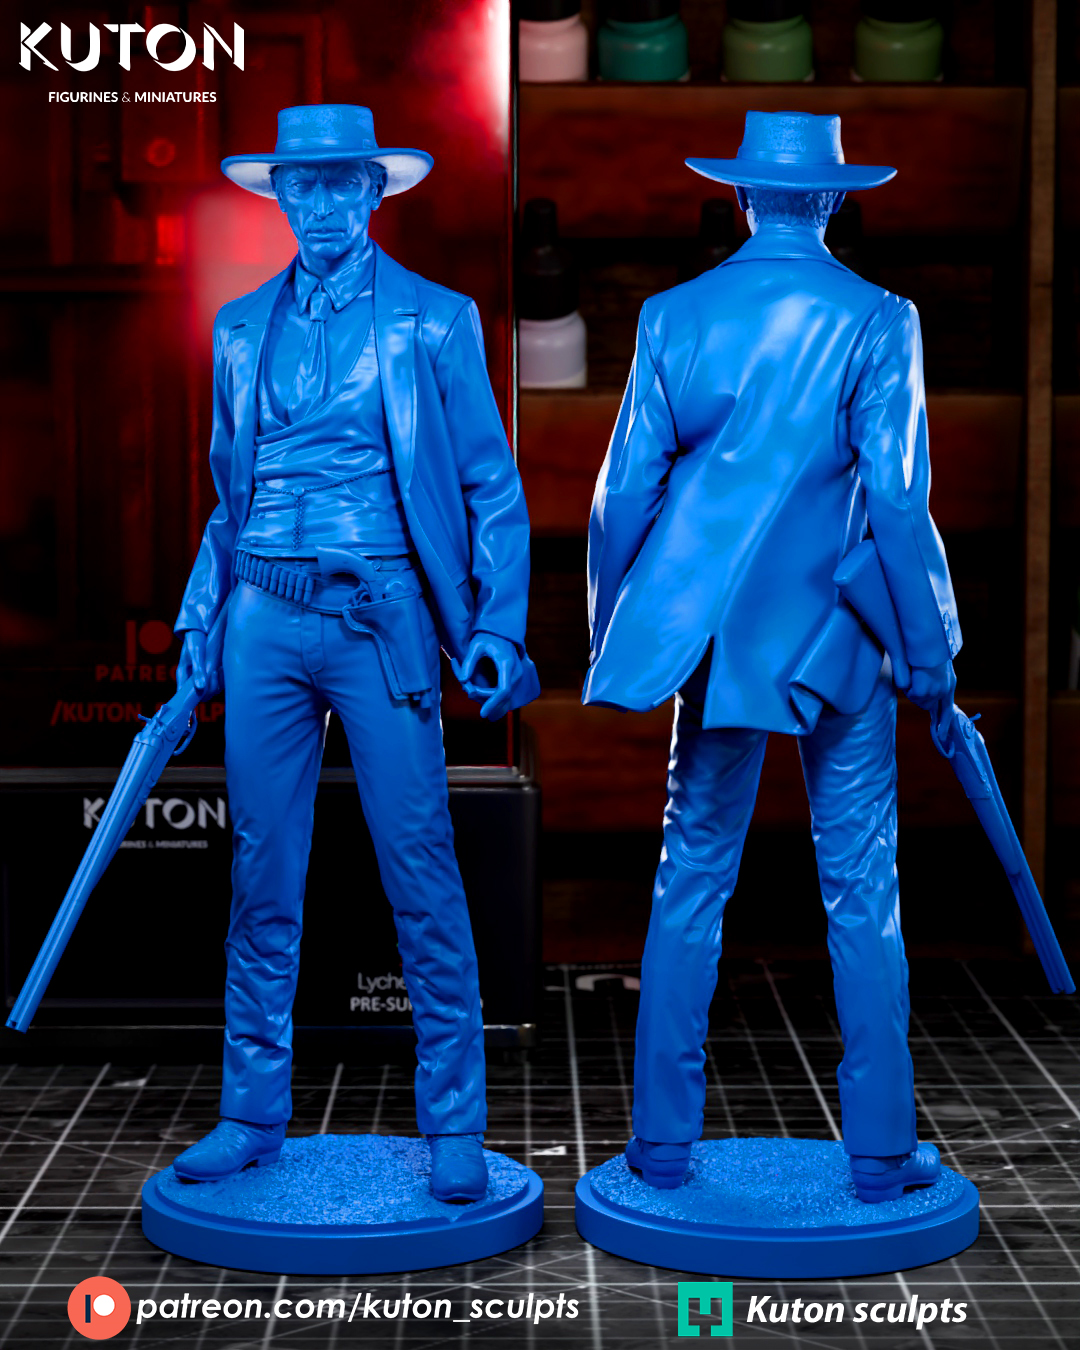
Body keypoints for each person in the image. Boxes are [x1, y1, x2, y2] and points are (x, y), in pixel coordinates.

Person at [584, 111, 960, 1202]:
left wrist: (624, 632)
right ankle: (880, 1154)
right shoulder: (881, 318)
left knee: (691, 878)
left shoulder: (672, 317)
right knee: (863, 888)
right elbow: (897, 501)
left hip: (712, 643)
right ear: (835, 198)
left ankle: (661, 1146)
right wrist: (930, 645)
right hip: (839, 643)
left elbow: (620, 502)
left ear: (742, 197)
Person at [169, 104, 539, 1203]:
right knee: (260, 872)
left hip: (382, 614)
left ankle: (455, 1121)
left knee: (419, 863)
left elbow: (490, 484)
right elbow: (227, 499)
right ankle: (250, 1111)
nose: (322, 204)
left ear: (376, 192)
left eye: (342, 183)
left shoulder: (436, 320)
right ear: (279, 194)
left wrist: (496, 624)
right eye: (304, 183)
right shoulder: (242, 327)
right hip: (262, 611)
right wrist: (199, 622)